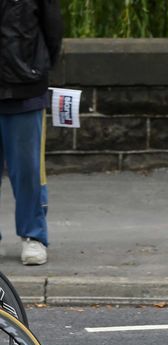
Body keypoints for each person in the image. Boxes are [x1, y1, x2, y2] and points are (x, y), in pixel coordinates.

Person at [0, 0, 63, 265]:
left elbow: (52, 30)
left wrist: (37, 70)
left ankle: (33, 236)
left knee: (27, 169)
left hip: (24, 88)